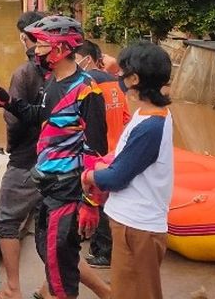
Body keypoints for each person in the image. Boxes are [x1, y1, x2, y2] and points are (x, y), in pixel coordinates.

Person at [0, 16, 109, 299]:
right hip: (47, 184)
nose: (35, 52)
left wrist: (91, 203)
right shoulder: (53, 83)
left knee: (59, 263)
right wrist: (6, 101)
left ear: (62, 49)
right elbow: (39, 117)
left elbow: (96, 150)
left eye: (41, 46)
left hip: (68, 188)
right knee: (48, 251)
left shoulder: (87, 91)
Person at [82, 43, 174, 299]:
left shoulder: (150, 125)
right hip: (130, 222)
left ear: (135, 79)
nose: (119, 77)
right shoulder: (146, 114)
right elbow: (125, 160)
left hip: (138, 227)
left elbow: (117, 178)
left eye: (123, 73)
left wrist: (90, 175)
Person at [0, 11, 45, 299]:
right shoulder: (65, 73)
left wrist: (12, 146)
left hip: (26, 159)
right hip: (56, 159)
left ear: (25, 38)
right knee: (51, 229)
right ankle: (56, 286)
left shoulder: (24, 74)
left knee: (6, 221)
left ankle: (13, 288)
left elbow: (14, 120)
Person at [75, 39, 130, 267]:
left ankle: (103, 251)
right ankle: (105, 248)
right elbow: (126, 118)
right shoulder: (117, 83)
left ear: (85, 59)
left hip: (95, 151)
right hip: (116, 149)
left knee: (94, 200)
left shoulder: (86, 85)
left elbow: (83, 122)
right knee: (107, 200)